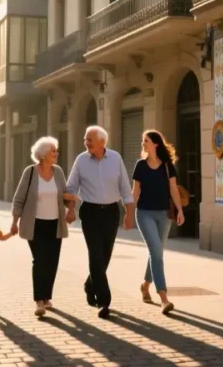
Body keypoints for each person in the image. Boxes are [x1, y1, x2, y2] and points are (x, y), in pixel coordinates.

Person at [66, 125, 135, 319]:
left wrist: (129, 213)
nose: (86, 143)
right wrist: (70, 210)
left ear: (102, 142)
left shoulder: (115, 158)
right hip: (90, 212)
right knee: (95, 255)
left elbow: (125, 187)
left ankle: (90, 284)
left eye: (90, 140)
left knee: (105, 255)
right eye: (85, 140)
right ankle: (104, 301)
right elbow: (71, 187)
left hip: (112, 212)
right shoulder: (81, 160)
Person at [11, 136, 70, 317]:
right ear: (43, 155)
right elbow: (19, 198)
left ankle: (46, 297)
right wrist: (14, 221)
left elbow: (65, 194)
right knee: (39, 261)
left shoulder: (58, 172)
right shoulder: (30, 172)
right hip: (35, 224)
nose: (56, 154)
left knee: (52, 262)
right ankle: (39, 301)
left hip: (55, 224)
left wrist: (72, 206)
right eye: (53, 151)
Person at [132, 130, 186, 315]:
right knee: (156, 253)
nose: (143, 143)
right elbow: (135, 192)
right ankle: (164, 298)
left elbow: (173, 189)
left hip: (164, 214)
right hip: (144, 214)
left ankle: (145, 285)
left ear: (155, 144)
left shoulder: (167, 166)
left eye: (145, 140)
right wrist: (129, 212)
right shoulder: (140, 166)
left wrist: (180, 210)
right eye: (143, 140)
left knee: (156, 253)